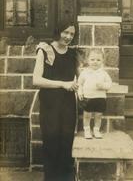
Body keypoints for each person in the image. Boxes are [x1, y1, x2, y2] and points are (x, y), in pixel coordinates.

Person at [33, 23, 78, 181]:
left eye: (72, 34)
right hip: (50, 103)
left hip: (68, 103)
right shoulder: (45, 50)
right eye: (66, 32)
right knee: (51, 141)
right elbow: (36, 80)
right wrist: (62, 84)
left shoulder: (72, 53)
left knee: (66, 141)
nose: (68, 37)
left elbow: (79, 77)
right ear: (58, 31)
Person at [78, 49, 112, 139]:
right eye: (92, 59)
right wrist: (80, 92)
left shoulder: (103, 73)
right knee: (87, 115)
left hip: (100, 97)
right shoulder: (84, 73)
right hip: (88, 97)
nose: (95, 62)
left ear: (102, 61)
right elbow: (80, 84)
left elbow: (109, 84)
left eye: (98, 60)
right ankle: (87, 130)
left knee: (98, 115)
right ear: (87, 60)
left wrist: (103, 85)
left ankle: (96, 130)